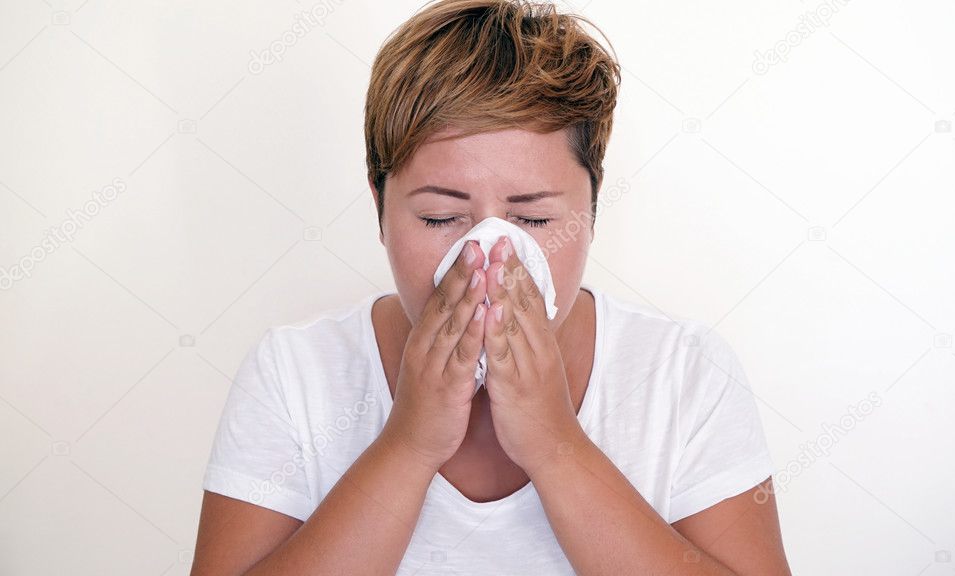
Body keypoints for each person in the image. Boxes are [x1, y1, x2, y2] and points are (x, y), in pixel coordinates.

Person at [191, 1, 792, 574]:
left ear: (592, 210)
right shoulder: (293, 374)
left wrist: (557, 447)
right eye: (437, 218)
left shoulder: (683, 373)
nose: (487, 260)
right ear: (380, 210)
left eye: (533, 221)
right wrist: (408, 446)